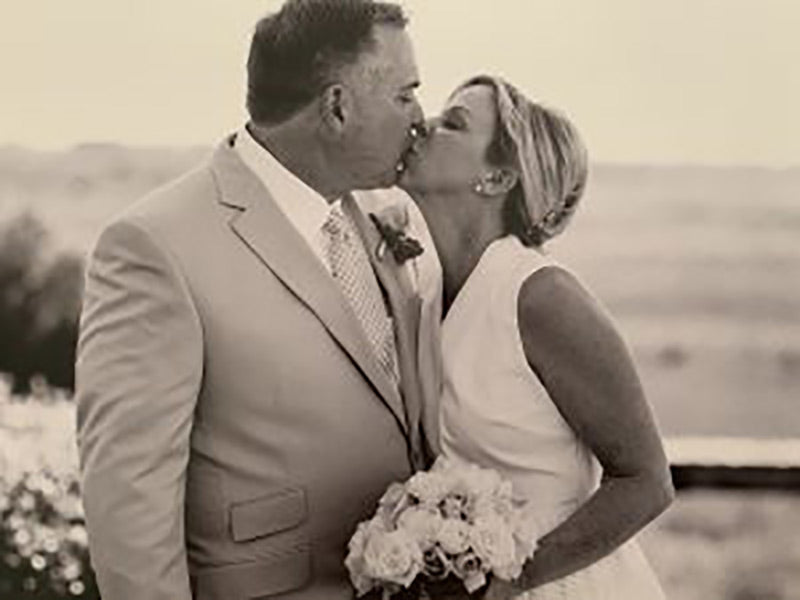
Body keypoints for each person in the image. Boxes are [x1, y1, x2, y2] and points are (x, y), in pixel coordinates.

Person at [75, 2, 442, 599]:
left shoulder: (382, 220)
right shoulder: (156, 246)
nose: (420, 119)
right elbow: (129, 500)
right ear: (338, 106)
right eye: (405, 95)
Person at [399, 75, 674, 599]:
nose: (423, 125)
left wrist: (518, 577)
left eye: (453, 123)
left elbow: (646, 482)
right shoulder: (426, 288)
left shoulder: (541, 297)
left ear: (498, 177)